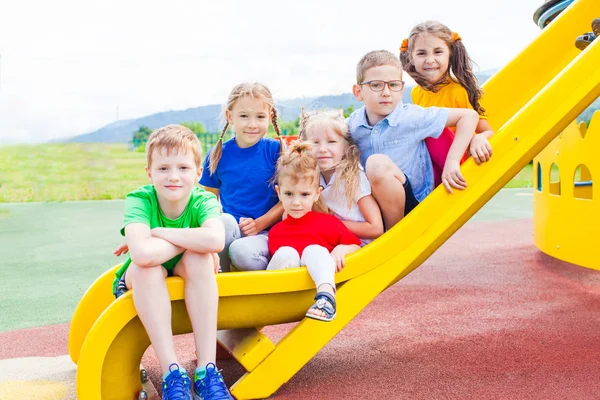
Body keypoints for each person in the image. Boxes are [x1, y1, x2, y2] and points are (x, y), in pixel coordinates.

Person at [112, 125, 233, 400]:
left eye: (183, 167)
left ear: (198, 172)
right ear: (149, 173)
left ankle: (206, 371)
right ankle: (172, 373)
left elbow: (215, 240)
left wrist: (158, 233)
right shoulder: (140, 200)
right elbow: (142, 255)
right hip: (142, 277)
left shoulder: (203, 200)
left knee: (201, 259)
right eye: (164, 169)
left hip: (187, 267)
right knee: (147, 269)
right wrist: (191, 237)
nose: (173, 177)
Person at [348, 50, 480, 230]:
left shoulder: (412, 117)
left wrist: (452, 162)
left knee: (376, 164)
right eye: (376, 85)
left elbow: (469, 116)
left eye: (393, 85)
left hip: (411, 201)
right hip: (373, 204)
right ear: (358, 92)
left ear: (401, 89)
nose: (386, 92)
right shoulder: (352, 125)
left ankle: (394, 235)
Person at [266, 142, 361, 322]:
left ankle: (326, 298)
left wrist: (343, 249)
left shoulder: (328, 223)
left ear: (317, 194)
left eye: (304, 195)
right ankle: (267, 299)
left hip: (316, 290)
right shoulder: (276, 232)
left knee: (314, 250)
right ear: (278, 193)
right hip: (282, 295)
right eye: (289, 194)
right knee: (287, 253)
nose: (296, 202)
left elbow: (356, 246)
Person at [200, 82, 285, 272]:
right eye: (244, 116)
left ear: (270, 117)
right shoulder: (217, 155)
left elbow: (288, 199)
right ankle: (220, 275)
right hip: (233, 233)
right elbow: (210, 203)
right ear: (230, 116)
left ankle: (266, 277)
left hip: (266, 234)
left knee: (240, 252)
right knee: (224, 222)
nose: (252, 124)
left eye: (260, 116)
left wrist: (260, 223)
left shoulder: (277, 152)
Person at [399, 20, 493, 186]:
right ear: (411, 58)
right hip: (429, 163)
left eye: (438, 52)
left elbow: (488, 131)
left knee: (434, 125)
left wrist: (479, 139)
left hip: (456, 161)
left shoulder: (458, 90)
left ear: (450, 54)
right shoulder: (416, 93)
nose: (430, 60)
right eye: (421, 53)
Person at [299, 108, 384, 245]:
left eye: (331, 142)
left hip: (358, 245)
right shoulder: (311, 177)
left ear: (345, 148)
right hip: (331, 240)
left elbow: (376, 228)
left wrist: (331, 224)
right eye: (315, 143)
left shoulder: (353, 177)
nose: (322, 149)